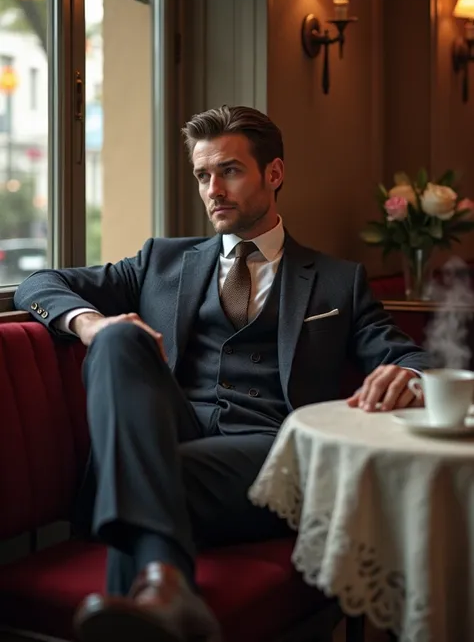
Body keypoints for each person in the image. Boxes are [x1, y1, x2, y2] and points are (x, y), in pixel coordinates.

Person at [14, 105, 430, 642]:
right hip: (173, 435)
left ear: (273, 174)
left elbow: (409, 354)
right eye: (202, 175)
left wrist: (407, 375)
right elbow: (38, 283)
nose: (213, 189)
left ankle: (147, 593)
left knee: (131, 472)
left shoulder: (335, 282)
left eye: (229, 171)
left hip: (272, 457)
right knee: (118, 338)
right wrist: (91, 324)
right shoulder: (161, 260)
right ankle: (164, 591)